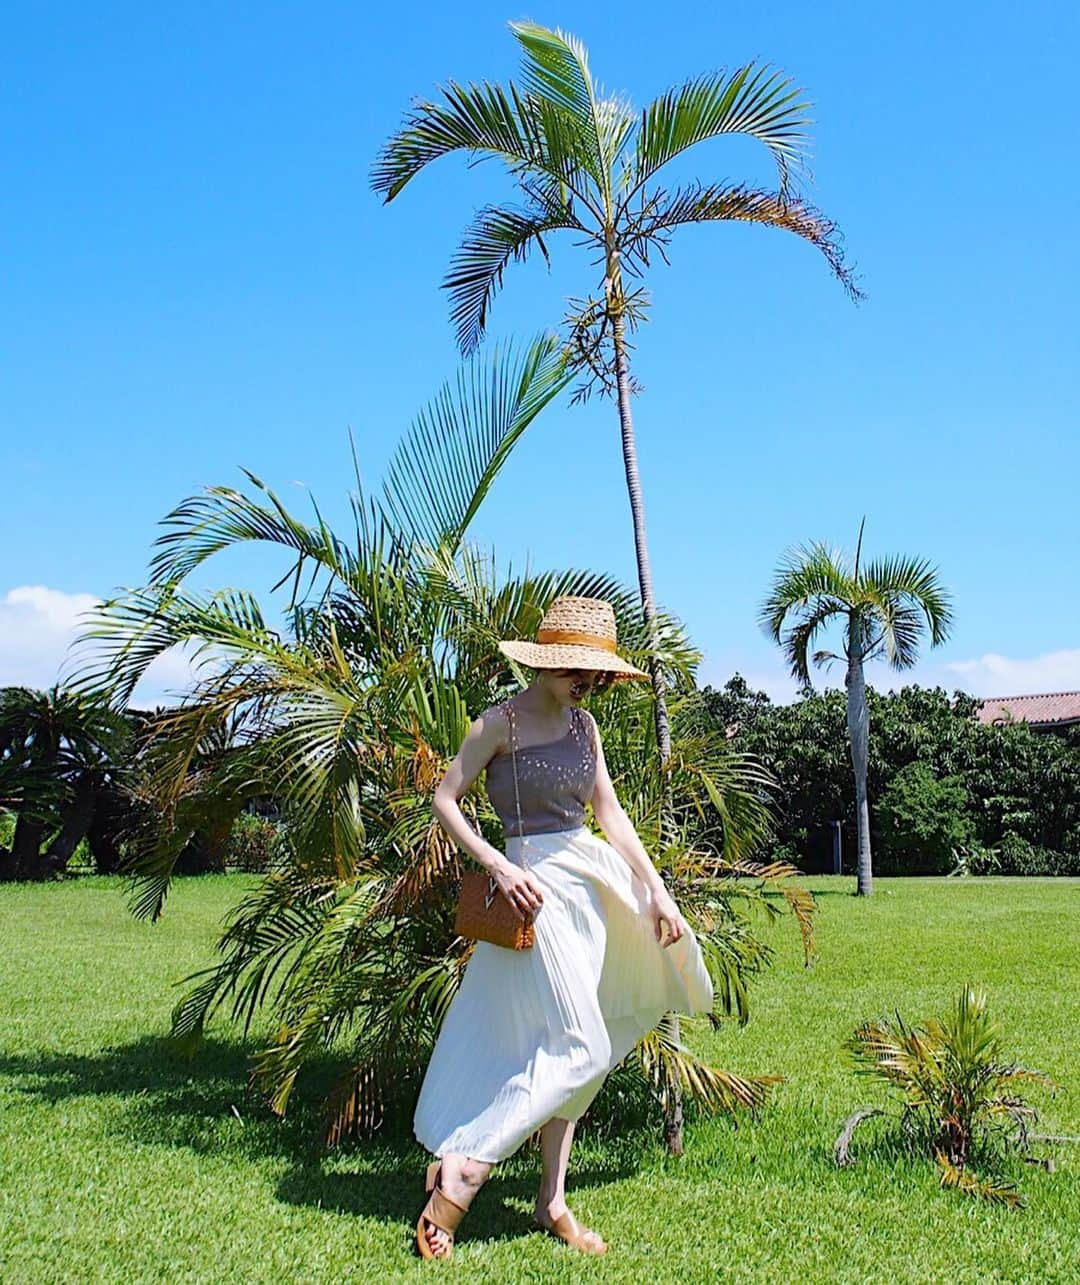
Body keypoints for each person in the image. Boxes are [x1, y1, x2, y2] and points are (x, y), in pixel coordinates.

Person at [413, 596, 713, 1260]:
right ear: (547, 662)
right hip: (530, 888)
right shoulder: (498, 725)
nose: (588, 683)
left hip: (589, 885)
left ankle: (552, 1199)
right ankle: (466, 1170)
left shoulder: (585, 729)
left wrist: (656, 889)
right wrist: (495, 864)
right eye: (578, 669)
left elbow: (610, 810)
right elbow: (444, 798)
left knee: (585, 1052)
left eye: (597, 673)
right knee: (578, 1043)